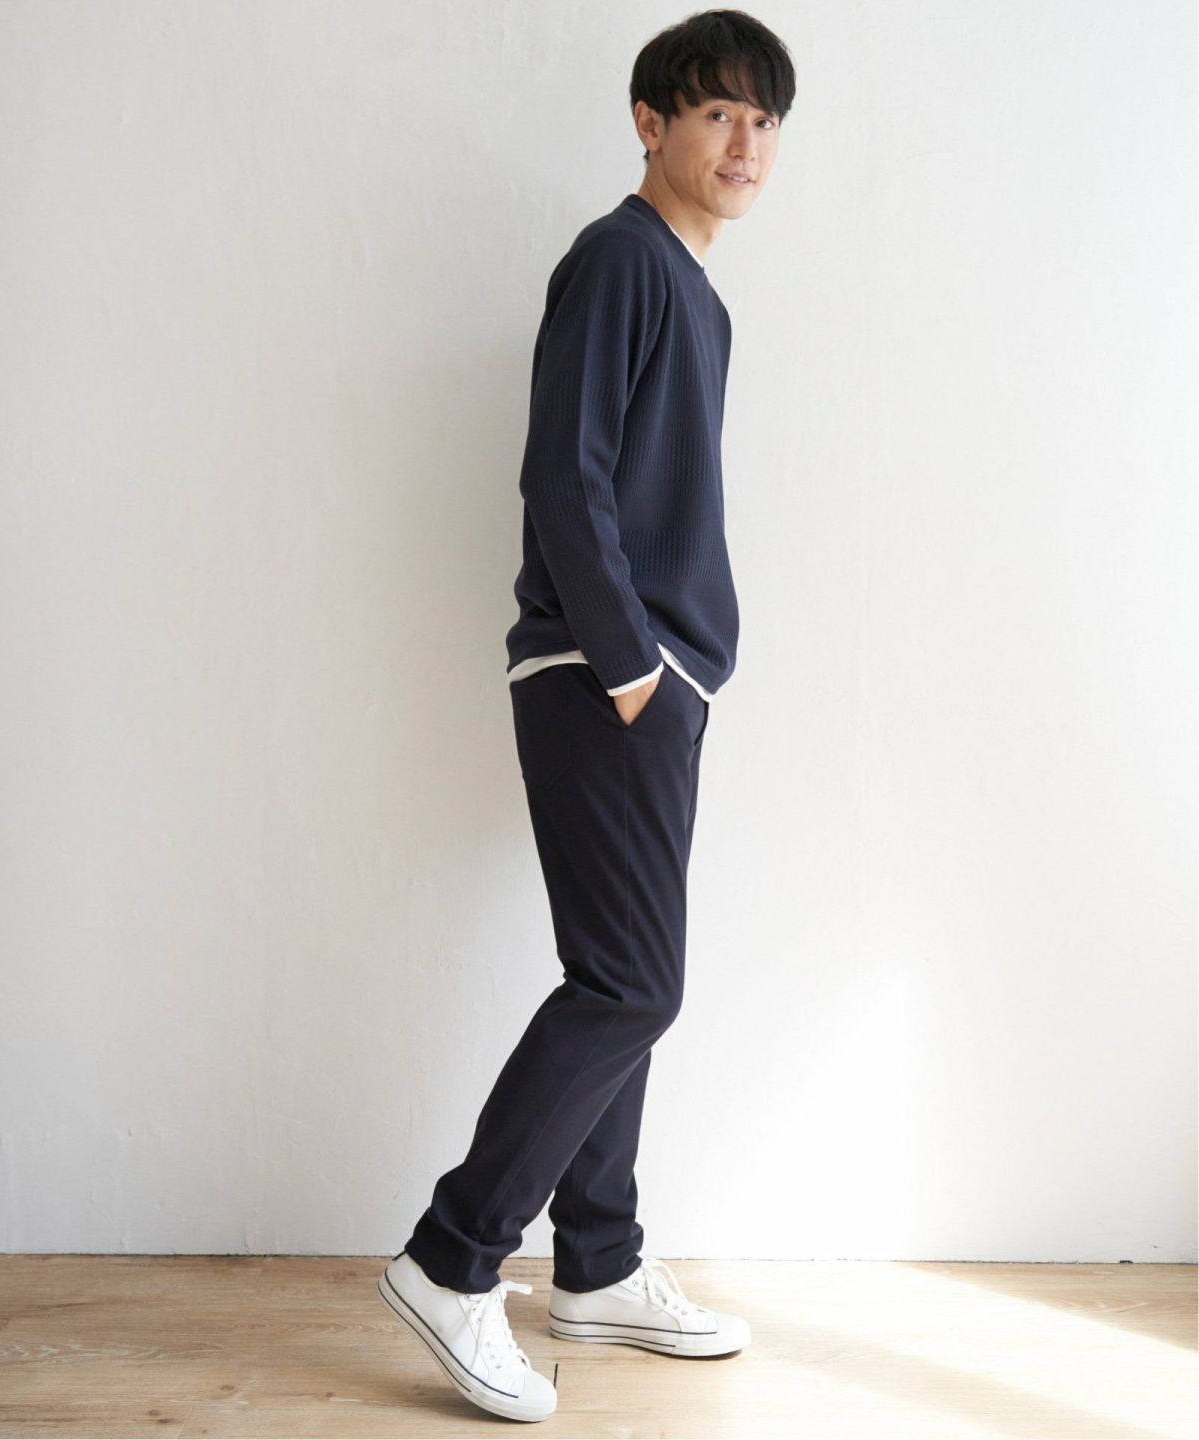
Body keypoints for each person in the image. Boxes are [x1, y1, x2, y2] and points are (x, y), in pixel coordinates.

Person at [377, 9, 794, 1422]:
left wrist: (672, 681)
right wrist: (631, 669)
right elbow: (565, 475)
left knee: (621, 978)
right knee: (633, 985)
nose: (745, 143)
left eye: (765, 121)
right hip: (601, 674)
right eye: (718, 112)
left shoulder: (695, 292)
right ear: (650, 122)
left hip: (653, 682)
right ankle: (451, 1259)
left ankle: (599, 1264)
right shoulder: (620, 260)